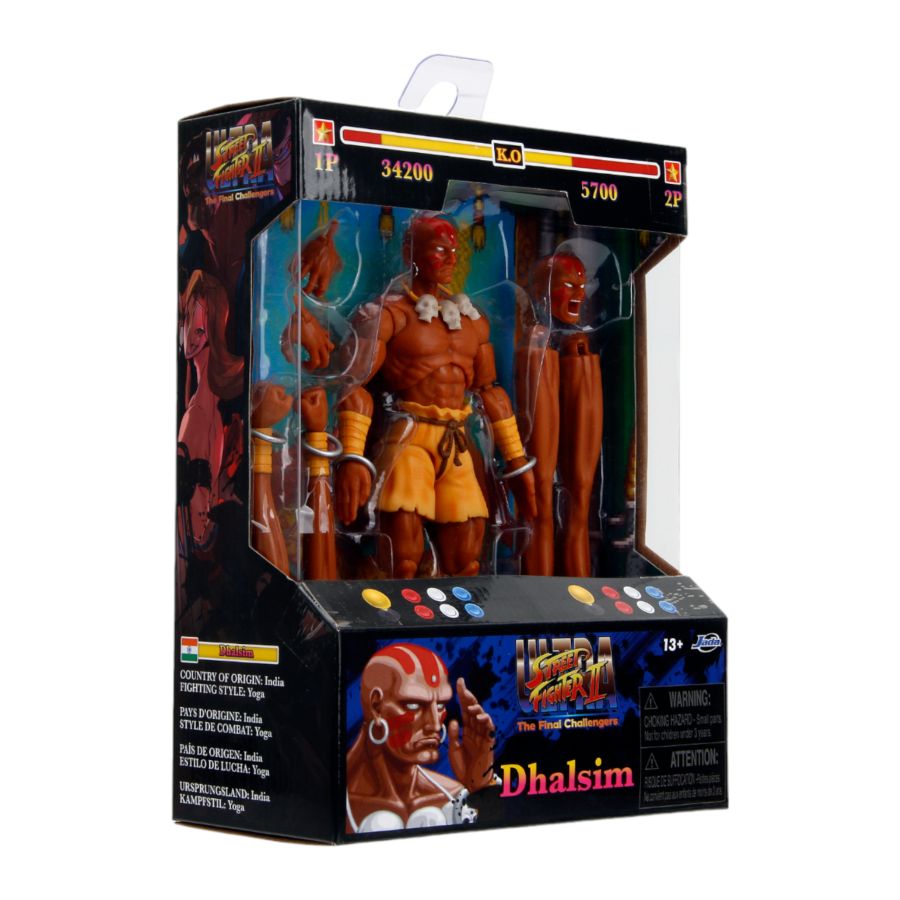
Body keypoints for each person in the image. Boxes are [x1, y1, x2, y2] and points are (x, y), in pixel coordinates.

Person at [335, 215, 537, 577]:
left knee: (466, 561)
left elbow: (489, 391)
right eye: (440, 250)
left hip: (456, 441)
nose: (451, 259)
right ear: (410, 252)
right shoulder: (389, 315)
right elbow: (354, 384)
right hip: (408, 440)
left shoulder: (472, 321)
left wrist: (516, 460)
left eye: (454, 251)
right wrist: (352, 456)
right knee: (403, 559)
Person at [345, 642, 496, 833]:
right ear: (376, 707)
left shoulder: (452, 794)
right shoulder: (330, 796)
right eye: (414, 705)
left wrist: (479, 784)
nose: (435, 724)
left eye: (440, 706)